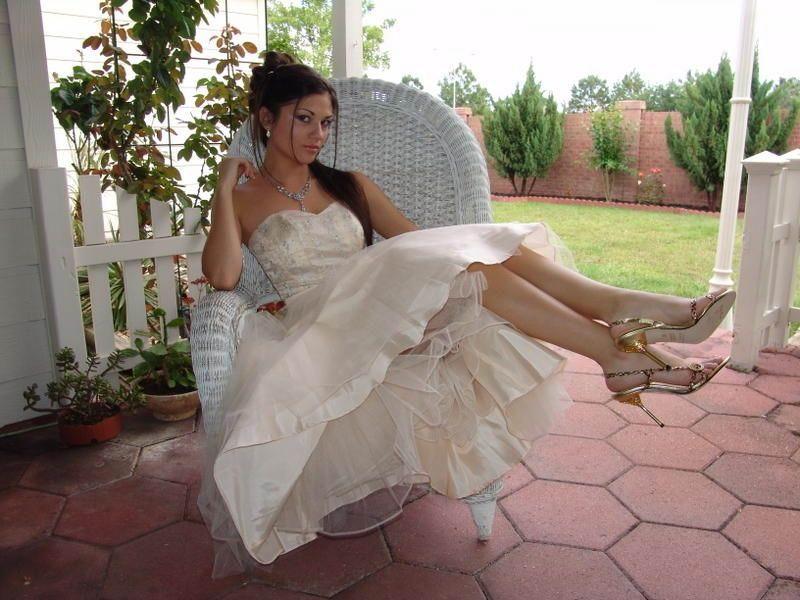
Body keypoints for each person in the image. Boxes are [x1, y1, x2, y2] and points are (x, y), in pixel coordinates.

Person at [197, 52, 734, 577]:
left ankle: (617, 342)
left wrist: (440, 270)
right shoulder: (242, 200)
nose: (318, 134)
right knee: (464, 257)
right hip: (322, 329)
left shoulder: (349, 184)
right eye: (304, 119)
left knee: (470, 259)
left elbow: (418, 242)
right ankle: (619, 330)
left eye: (326, 122)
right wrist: (224, 188)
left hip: (379, 309)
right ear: (266, 119)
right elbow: (222, 275)